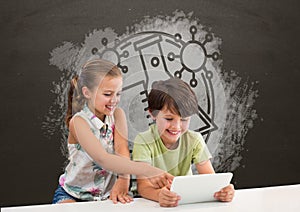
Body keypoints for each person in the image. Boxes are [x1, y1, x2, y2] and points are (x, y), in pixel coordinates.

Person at [52, 59, 173, 204]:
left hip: (107, 195)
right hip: (73, 195)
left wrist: (124, 178)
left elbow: (122, 150)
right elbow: (103, 159)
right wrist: (147, 170)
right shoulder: (78, 122)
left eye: (118, 94)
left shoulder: (117, 115)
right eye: (108, 94)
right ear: (87, 93)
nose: (114, 100)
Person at [132, 78, 235, 207]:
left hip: (185, 204)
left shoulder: (194, 140)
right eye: (169, 118)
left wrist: (223, 191)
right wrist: (159, 195)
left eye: (184, 120)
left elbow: (210, 179)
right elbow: (143, 186)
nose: (176, 127)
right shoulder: (143, 141)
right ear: (152, 113)